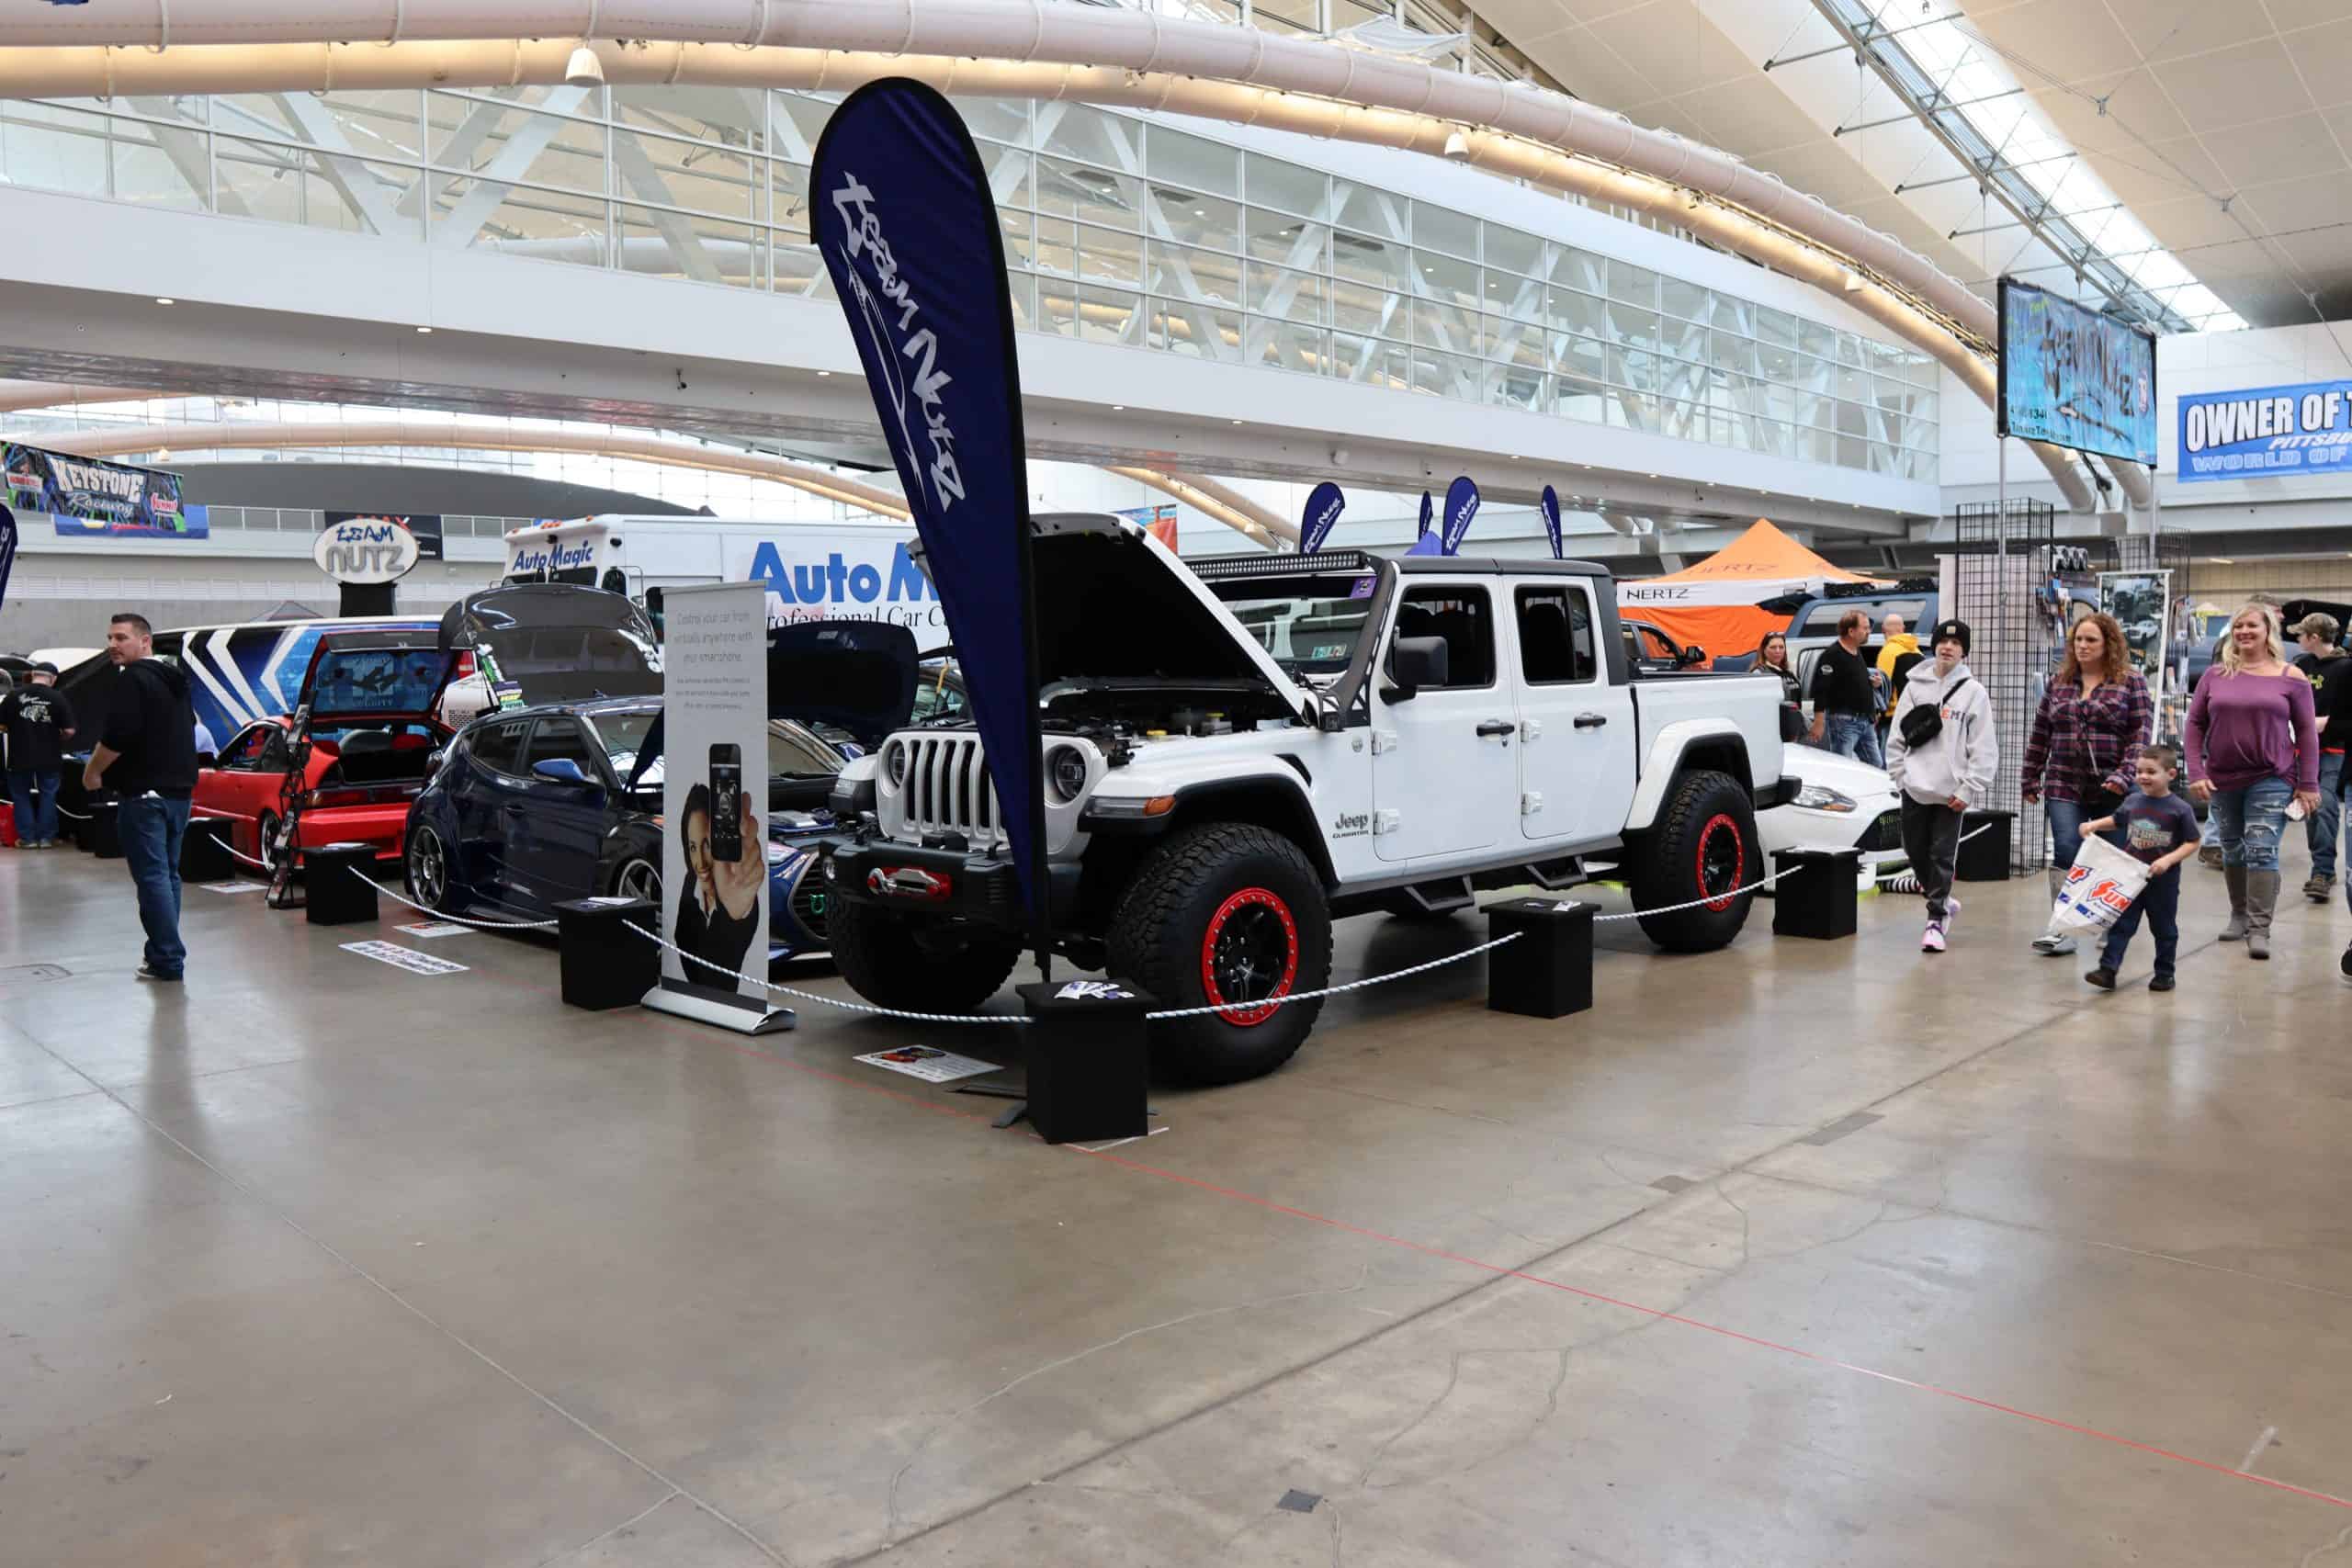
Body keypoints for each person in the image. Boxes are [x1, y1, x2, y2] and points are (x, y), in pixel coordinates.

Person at [2184, 602, 2322, 960]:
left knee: (2262, 849)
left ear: (2268, 631)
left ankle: (2259, 928)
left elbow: (2307, 732)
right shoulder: (2215, 675)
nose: (2244, 632)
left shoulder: (2291, 677)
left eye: (2252, 626)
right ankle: (2239, 914)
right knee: (2232, 847)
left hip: (2272, 777)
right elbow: (2194, 724)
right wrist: (2196, 771)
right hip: (2222, 778)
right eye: (2238, 626)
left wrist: (2309, 783)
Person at [2019, 612, 2152, 957]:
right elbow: (2041, 732)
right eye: (2078, 639)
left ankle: (2111, 922)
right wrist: (2030, 775)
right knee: (2066, 849)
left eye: (2091, 640)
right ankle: (2064, 929)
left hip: (2115, 786)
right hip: (2064, 782)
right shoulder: (2059, 682)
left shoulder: (2131, 681)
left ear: (2109, 644)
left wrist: (2124, 775)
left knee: (2113, 858)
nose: (2083, 645)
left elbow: (2140, 735)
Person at [82, 614, 199, 983]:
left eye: (121, 638)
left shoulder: (133, 678)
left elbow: (117, 736)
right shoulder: (174, 679)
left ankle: (167, 958)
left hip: (144, 796)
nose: (112, 645)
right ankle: (164, 953)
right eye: (110, 638)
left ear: (145, 641)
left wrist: (92, 772)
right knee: (167, 876)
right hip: (178, 793)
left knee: (152, 878)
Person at [1885, 619, 1996, 954]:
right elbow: (1897, 735)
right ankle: (1943, 898)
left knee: (1942, 855)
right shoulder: (1914, 687)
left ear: (1964, 652)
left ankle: (1935, 919)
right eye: (1943, 642)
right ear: (1934, 645)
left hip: (1951, 792)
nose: (1948, 647)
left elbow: (1983, 745)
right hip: (1915, 787)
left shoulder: (1974, 693)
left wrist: (1969, 788)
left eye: (1956, 643)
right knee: (1914, 849)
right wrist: (1900, 776)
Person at [2081, 745, 2199, 993]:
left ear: (2171, 774)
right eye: (2139, 771)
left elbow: (2192, 842)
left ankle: (2164, 974)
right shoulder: (2133, 800)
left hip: (2163, 882)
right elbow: (2117, 820)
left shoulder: (2180, 808)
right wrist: (2094, 825)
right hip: (2132, 877)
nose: (2143, 776)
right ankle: (2107, 970)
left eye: (2151, 772)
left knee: (2164, 929)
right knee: (2121, 925)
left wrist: (2168, 860)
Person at [673, 782, 761, 983]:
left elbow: (736, 927)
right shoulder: (690, 883)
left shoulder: (738, 898)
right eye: (693, 847)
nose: (700, 863)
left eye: (707, 846)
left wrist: (735, 916)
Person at [2290, 612, 2349, 901]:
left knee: (2323, 805)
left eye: (2301, 634)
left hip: (2332, 750)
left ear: (2313, 637)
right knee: (2310, 810)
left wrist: (2329, 723)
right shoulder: (2300, 665)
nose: (2297, 639)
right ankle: (2322, 866)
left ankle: (2322, 872)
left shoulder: (2347, 668)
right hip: (2300, 750)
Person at [1, 661, 75, 849]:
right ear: (53, 678)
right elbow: (69, 730)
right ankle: (46, 838)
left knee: (21, 796)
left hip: (19, 756)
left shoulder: (13, 696)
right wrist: (58, 736)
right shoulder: (58, 697)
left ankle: (27, 839)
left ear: (33, 674)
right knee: (48, 795)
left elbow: (1, 725)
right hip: (49, 756)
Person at [1807, 609, 1883, 767]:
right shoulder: (1832, 654)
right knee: (1844, 767)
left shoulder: (1856, 651)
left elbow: (1850, 682)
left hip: (1865, 722)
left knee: (1876, 766)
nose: (1869, 631)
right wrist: (1819, 721)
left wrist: (1872, 684)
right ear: (1851, 631)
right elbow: (1821, 689)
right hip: (1844, 722)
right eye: (1865, 628)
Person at [1753, 630, 1800, 705]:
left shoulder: (1788, 671)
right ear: (1764, 650)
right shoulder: (1759, 674)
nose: (1778, 651)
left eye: (1781, 647)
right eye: (1773, 647)